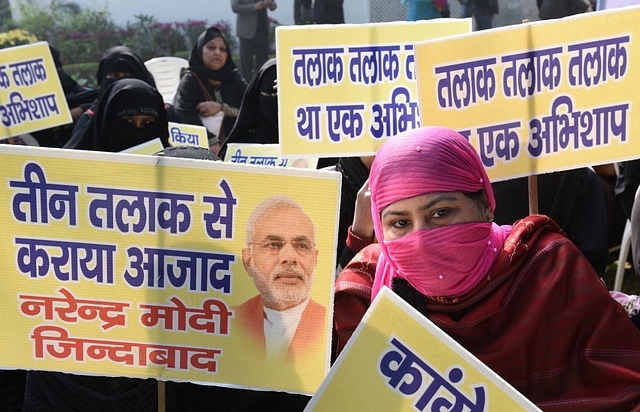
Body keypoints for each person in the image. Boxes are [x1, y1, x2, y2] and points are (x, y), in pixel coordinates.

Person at [333, 126, 640, 410]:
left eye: (441, 213)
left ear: (485, 205)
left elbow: (622, 383)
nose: (422, 240)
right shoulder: (364, 289)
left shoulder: (546, 267)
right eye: (400, 223)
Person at [235, 195, 326, 362]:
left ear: (315, 259)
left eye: (301, 246)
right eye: (274, 245)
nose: (289, 257)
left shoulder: (331, 326)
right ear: (248, 261)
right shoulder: (226, 321)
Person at [63, 45, 158, 150]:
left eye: (128, 75)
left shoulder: (160, 112)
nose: (121, 82)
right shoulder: (90, 121)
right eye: (114, 75)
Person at [173, 26, 247, 154]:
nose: (217, 52)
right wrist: (210, 140)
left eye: (223, 49)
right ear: (200, 50)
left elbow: (250, 108)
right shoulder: (191, 80)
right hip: (201, 149)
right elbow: (183, 114)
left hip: (236, 148)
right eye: (211, 47)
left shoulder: (233, 78)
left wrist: (222, 108)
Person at [64, 77, 170, 152]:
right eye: (128, 121)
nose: (137, 130)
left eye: (147, 122)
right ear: (107, 120)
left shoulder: (177, 166)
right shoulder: (73, 167)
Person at [222, 58, 277, 154]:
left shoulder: (306, 147)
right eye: (269, 94)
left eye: (280, 97)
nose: (274, 100)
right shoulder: (238, 148)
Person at [231, 0, 277, 83]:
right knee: (246, 65)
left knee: (263, 64)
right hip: (246, 32)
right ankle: (246, 89)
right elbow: (235, 7)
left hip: (263, 31)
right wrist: (254, 7)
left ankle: (262, 88)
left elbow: (274, 6)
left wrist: (270, 4)